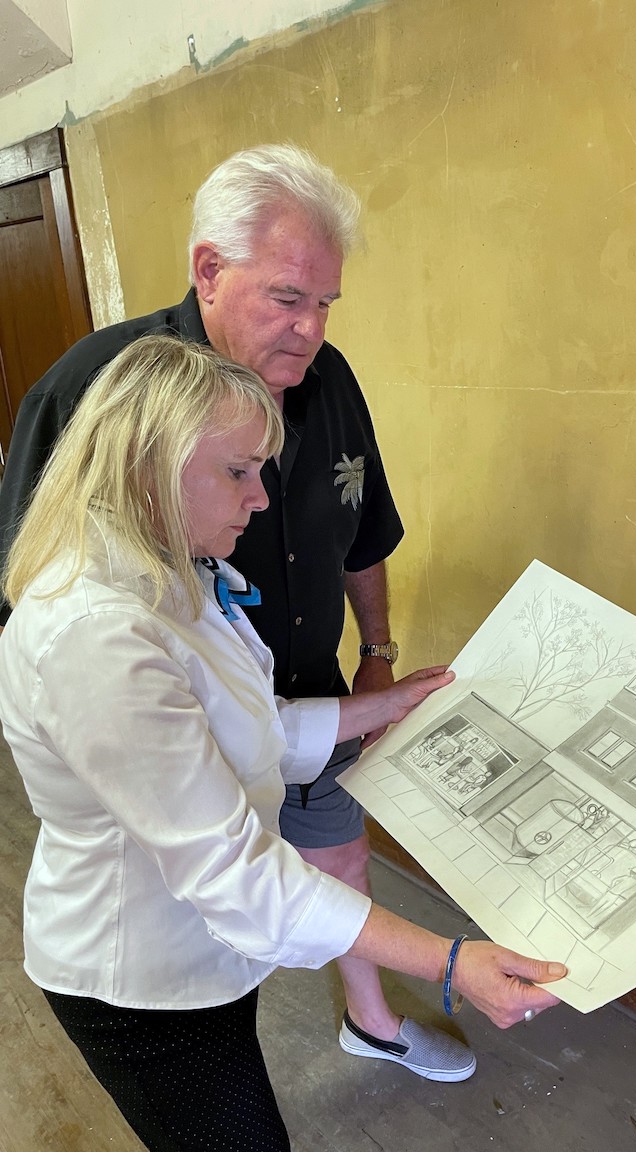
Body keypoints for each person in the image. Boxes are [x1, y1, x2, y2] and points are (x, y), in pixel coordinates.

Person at [0, 336, 566, 1152]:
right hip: (141, 982)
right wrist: (448, 963)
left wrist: (386, 703)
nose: (261, 498)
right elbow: (236, 875)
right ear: (146, 468)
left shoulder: (170, 567)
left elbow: (249, 728)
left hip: (203, 950)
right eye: (238, 471)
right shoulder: (97, 637)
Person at [0, 143, 464, 1077]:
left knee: (334, 864)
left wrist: (378, 659)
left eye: (327, 302)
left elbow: (363, 528)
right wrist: (458, 966)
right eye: (289, 298)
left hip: (304, 704)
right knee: (212, 912)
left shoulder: (329, 381)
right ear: (209, 269)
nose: (310, 328)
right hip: (168, 736)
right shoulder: (99, 394)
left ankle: (370, 1020)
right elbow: (39, 583)